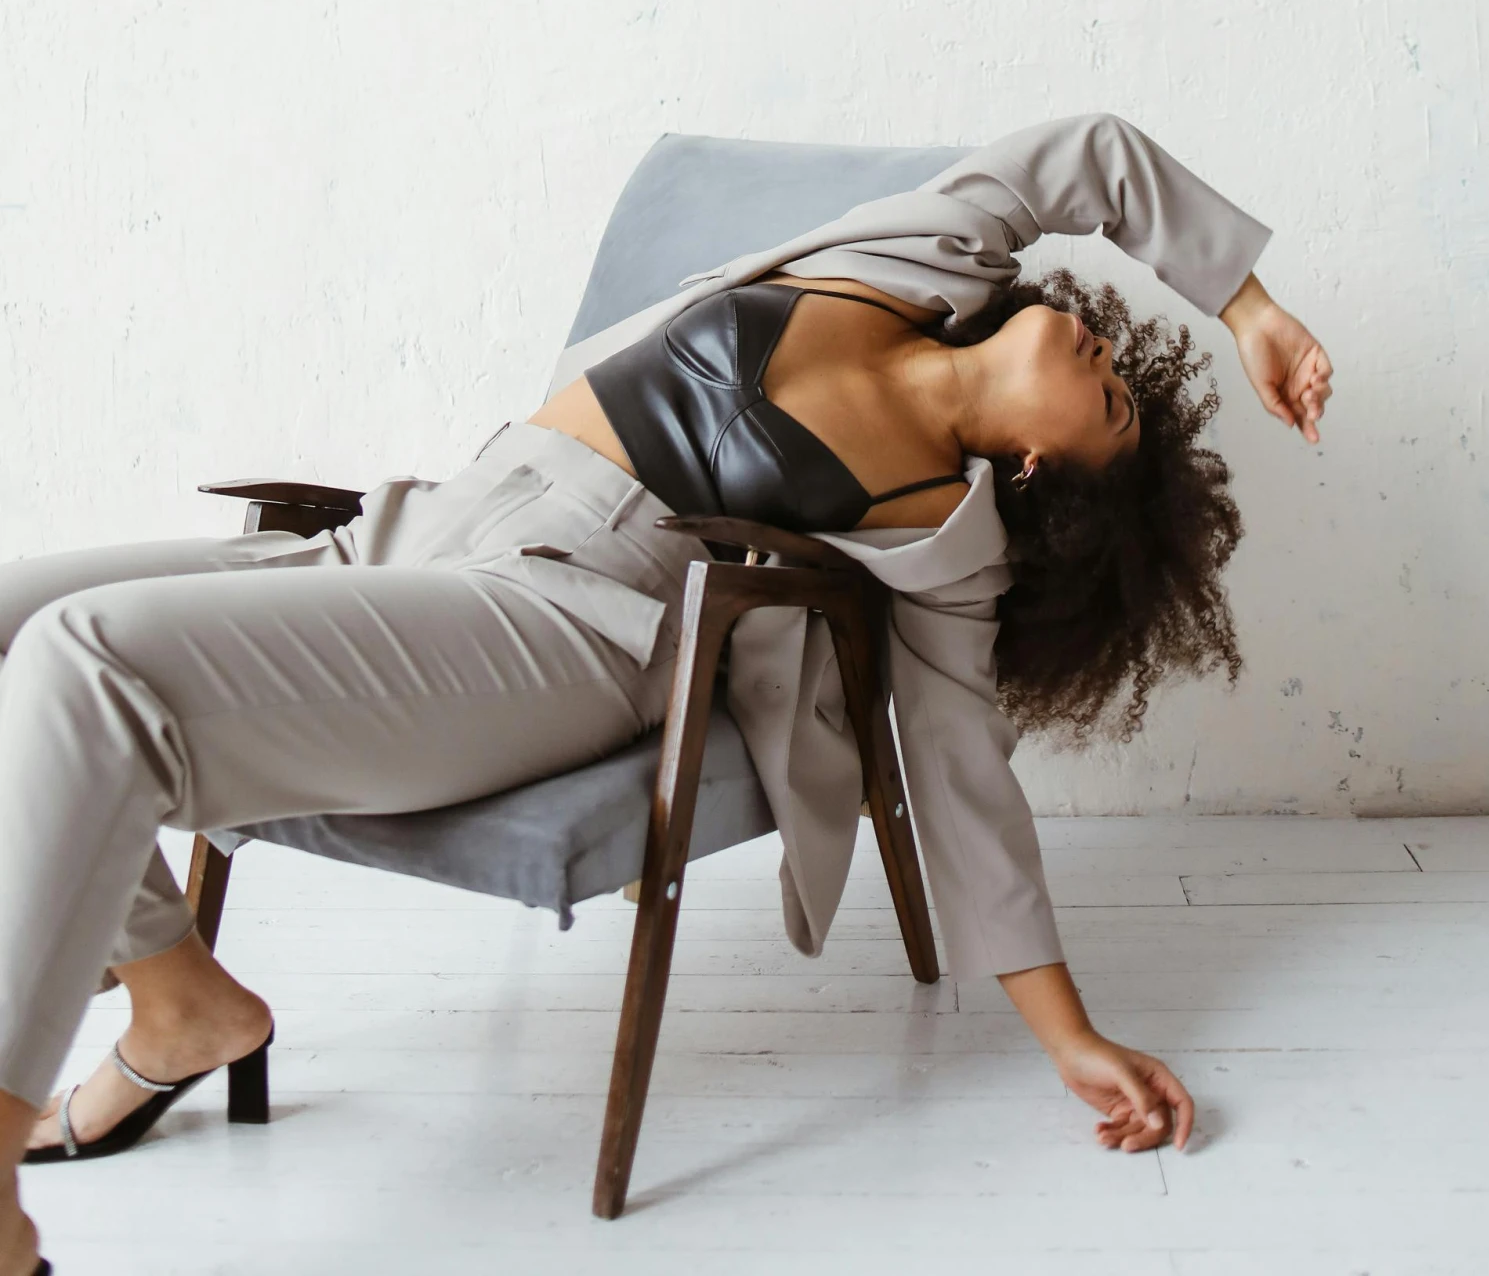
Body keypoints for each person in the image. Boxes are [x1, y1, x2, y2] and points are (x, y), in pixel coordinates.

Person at [0, 113, 1331, 1275]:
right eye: (1122, 375)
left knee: (87, 663)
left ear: (1042, 470)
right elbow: (1087, 152)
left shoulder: (940, 541)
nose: (1113, 365)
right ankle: (180, 999)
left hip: (554, 619)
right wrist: (1248, 308)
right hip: (417, 531)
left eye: (1115, 413)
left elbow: (961, 780)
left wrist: (1069, 1034)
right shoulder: (914, 259)